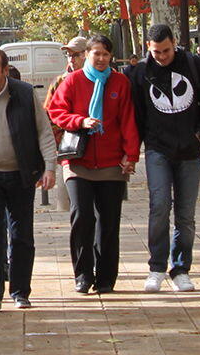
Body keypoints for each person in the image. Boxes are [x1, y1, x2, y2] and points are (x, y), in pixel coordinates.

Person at [127, 23, 200, 292]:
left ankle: (181, 269)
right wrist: (140, 145)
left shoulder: (195, 65)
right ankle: (156, 267)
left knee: (185, 214)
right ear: (148, 48)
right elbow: (135, 111)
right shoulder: (141, 72)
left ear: (175, 43)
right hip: (157, 149)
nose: (162, 57)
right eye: (156, 52)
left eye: (166, 51)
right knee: (158, 207)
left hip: (190, 151)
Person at [0, 46, 56, 311]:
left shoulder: (25, 95)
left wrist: (49, 167)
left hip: (20, 174)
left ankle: (20, 291)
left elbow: (43, 132)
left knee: (21, 235)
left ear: (5, 70)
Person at [46, 34, 139, 295]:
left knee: (109, 222)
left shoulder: (120, 82)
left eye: (105, 55)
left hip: (111, 163)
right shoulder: (72, 81)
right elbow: (56, 111)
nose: (100, 59)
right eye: (95, 53)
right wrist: (80, 121)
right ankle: (83, 275)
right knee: (82, 216)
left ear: (111, 57)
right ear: (87, 54)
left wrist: (130, 155)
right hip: (78, 161)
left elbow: (129, 119)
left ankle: (106, 278)